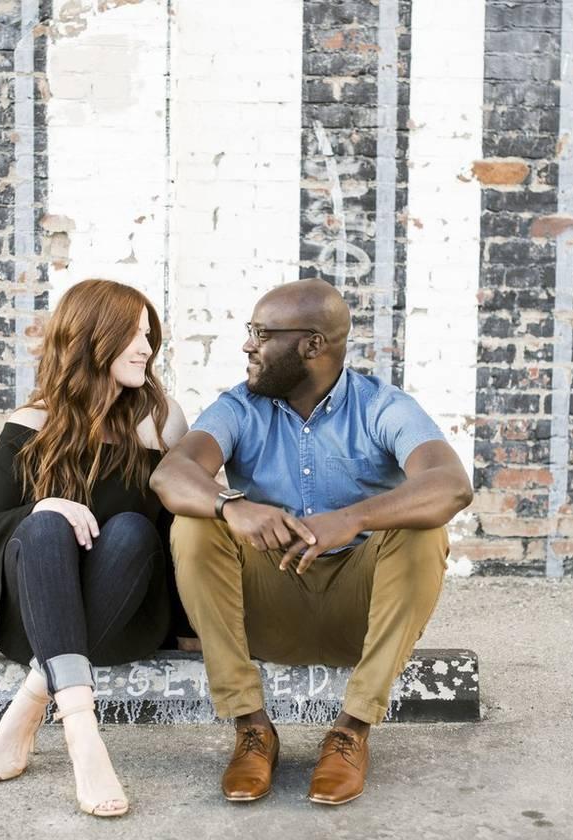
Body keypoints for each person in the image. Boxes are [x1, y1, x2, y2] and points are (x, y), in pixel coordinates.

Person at [149, 279, 473, 806]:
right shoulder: (240, 405)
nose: (248, 346)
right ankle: (251, 728)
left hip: (359, 615)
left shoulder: (380, 406)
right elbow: (172, 475)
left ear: (312, 345)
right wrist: (232, 505)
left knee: (425, 528)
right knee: (195, 521)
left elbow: (452, 485)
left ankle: (351, 731)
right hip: (266, 607)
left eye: (261, 333)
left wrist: (352, 518)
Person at [0, 279, 188, 817]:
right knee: (45, 527)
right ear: (91, 339)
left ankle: (34, 700)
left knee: (134, 529)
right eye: (132, 334)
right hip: (32, 619)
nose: (146, 348)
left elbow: (181, 532)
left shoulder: (161, 423)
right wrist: (45, 508)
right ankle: (84, 739)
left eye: (147, 334)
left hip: (123, 619)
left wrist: (193, 629)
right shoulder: (30, 425)